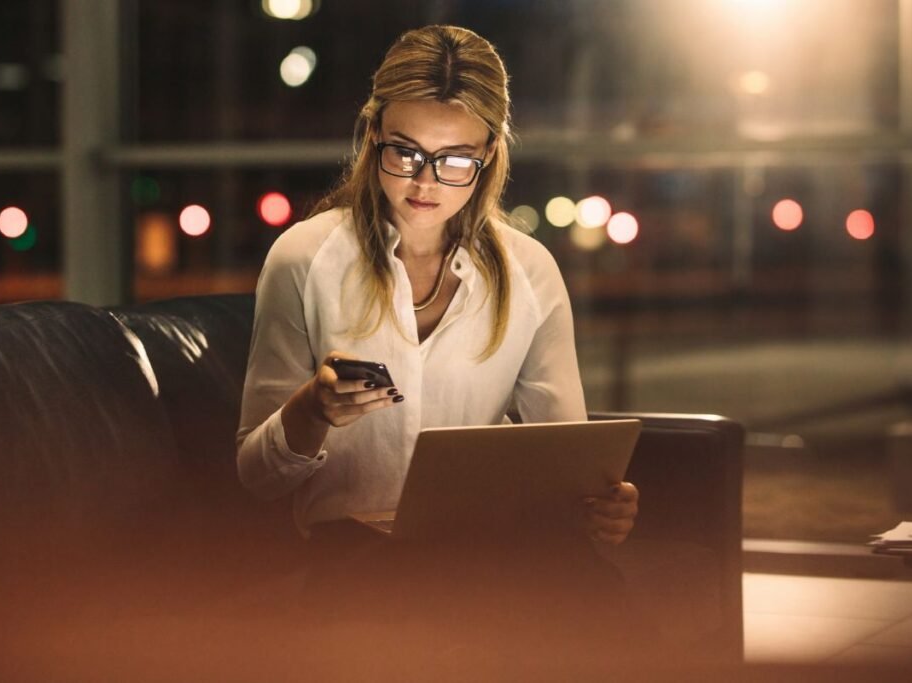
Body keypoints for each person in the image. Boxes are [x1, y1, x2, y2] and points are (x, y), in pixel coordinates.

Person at [235, 24, 640, 658]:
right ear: (373, 136)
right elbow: (257, 477)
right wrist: (311, 411)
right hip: (352, 553)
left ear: (490, 157)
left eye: (455, 161)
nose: (425, 182)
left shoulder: (529, 272)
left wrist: (601, 505)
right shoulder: (305, 258)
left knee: (587, 589)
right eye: (405, 152)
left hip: (495, 543)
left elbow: (569, 459)